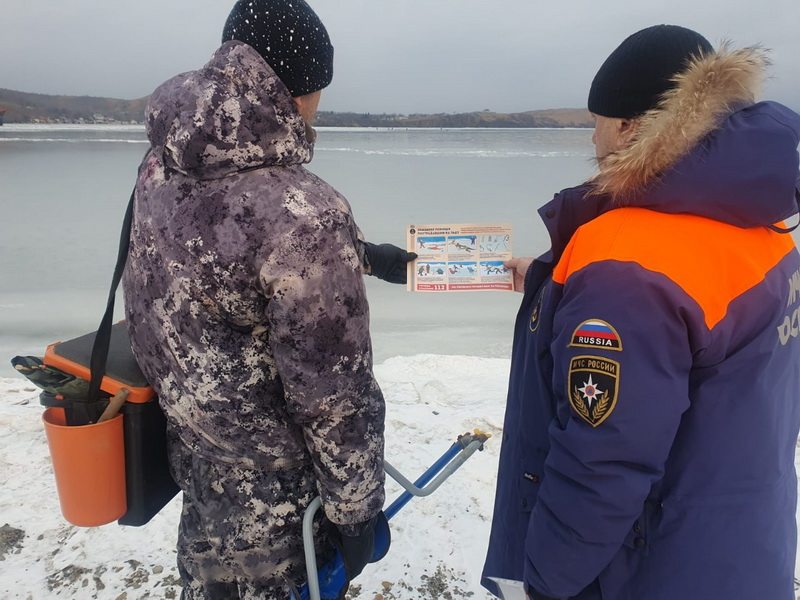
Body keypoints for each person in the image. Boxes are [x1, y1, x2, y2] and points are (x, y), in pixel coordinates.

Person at [482, 25, 800, 600]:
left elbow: (603, 460)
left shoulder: (625, 263)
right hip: (741, 551)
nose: (593, 135)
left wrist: (548, 583)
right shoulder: (761, 226)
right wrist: (551, 284)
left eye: (597, 119)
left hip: (647, 572)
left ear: (629, 125)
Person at [122, 1, 416, 598]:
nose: (317, 110)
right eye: (316, 92)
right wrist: (355, 508)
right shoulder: (305, 214)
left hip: (197, 449)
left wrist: (360, 252)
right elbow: (334, 396)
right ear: (294, 91)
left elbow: (222, 245)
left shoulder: (163, 161)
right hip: (278, 497)